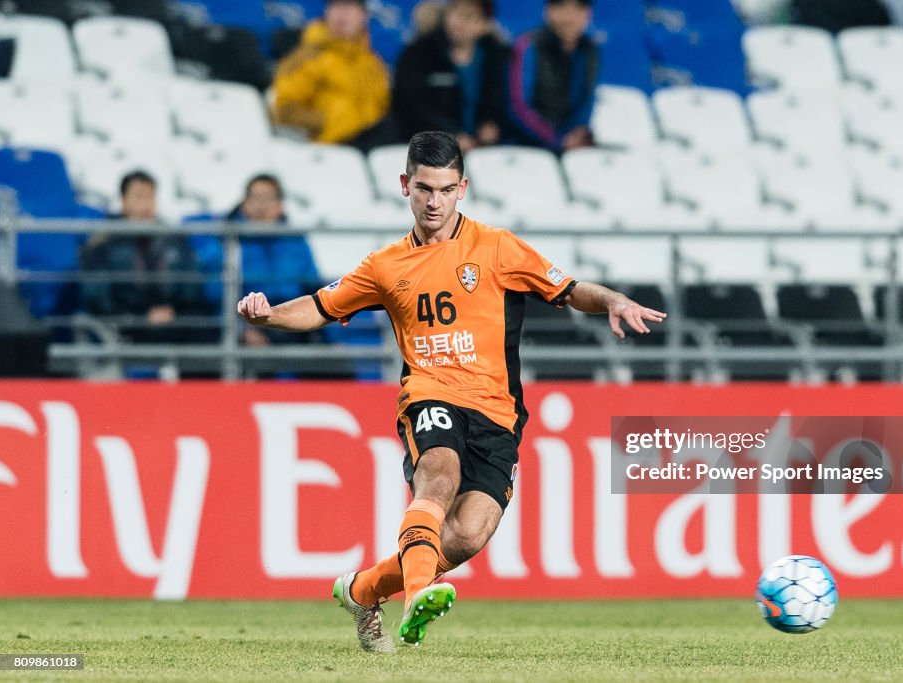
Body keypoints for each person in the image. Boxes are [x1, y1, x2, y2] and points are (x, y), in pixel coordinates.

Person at [237, 131, 665, 651]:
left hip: (497, 412)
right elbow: (320, 307)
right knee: (437, 474)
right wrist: (269, 313)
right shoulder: (385, 266)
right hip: (430, 393)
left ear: (461, 187)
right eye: (423, 189)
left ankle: (361, 589)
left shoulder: (498, 247)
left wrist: (614, 299)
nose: (433, 201)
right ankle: (420, 590)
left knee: (466, 534)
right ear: (405, 186)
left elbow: (571, 290)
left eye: (444, 189)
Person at [190, 174, 323, 349]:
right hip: (250, 325)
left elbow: (314, 288)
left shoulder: (296, 241)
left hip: (294, 322)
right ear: (244, 203)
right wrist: (241, 330)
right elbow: (217, 296)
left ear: (280, 205)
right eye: (256, 198)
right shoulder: (227, 242)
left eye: (269, 198)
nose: (262, 206)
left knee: (333, 361)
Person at [80, 171, 205, 343]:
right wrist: (141, 317)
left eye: (150, 197)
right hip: (126, 325)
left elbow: (191, 286)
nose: (146, 205)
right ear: (123, 201)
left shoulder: (173, 238)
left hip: (173, 320)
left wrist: (175, 311)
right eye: (139, 197)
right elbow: (98, 296)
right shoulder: (103, 242)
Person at [272, 0, 398, 151]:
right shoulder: (308, 56)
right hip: (333, 145)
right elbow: (284, 109)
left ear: (364, 16)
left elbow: (382, 106)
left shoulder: (373, 64)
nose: (341, 13)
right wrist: (326, 122)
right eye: (336, 6)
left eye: (349, 7)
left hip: (372, 143)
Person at [393, 0, 509, 150]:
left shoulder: (496, 57)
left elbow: (504, 103)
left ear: (485, 25)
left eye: (468, 17)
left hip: (484, 150)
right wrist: (450, 135)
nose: (458, 22)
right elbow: (411, 107)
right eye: (454, 12)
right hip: (430, 150)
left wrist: (491, 123)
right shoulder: (418, 53)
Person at [507, 0, 600, 153]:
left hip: (570, 147)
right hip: (525, 146)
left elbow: (586, 102)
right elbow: (519, 107)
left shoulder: (590, 50)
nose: (569, 16)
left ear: (588, 13)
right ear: (547, 10)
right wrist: (556, 140)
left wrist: (577, 134)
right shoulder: (528, 46)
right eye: (561, 6)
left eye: (578, 8)